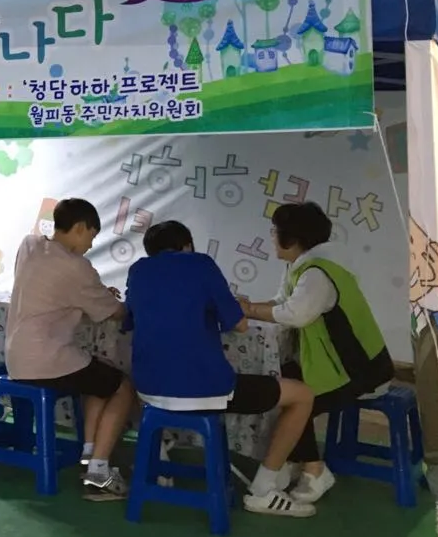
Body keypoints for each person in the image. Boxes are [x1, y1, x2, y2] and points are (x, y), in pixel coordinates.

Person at [123, 220, 317, 518]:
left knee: (138, 383)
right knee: (302, 395)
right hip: (204, 389)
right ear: (187, 245)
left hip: (148, 390)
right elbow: (239, 325)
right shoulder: (201, 264)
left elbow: (129, 319)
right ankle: (263, 489)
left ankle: (160, 462)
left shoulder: (138, 271)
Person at [240, 201, 394, 505]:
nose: (272, 237)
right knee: (281, 381)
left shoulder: (316, 274)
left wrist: (249, 310)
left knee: (292, 400)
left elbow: (295, 314)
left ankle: (313, 469)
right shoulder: (303, 266)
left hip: (360, 371)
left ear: (292, 238)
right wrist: (248, 308)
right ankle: (291, 462)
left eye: (275, 231)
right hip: (335, 366)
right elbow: (281, 302)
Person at [5, 197, 137, 502]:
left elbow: (56, 290)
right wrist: (111, 299)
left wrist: (94, 294)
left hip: (16, 355)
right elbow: (116, 313)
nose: (90, 245)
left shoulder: (29, 245)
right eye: (91, 235)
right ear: (79, 228)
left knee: (97, 371)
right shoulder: (77, 267)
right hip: (46, 361)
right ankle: (99, 472)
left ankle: (89, 452)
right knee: (122, 387)